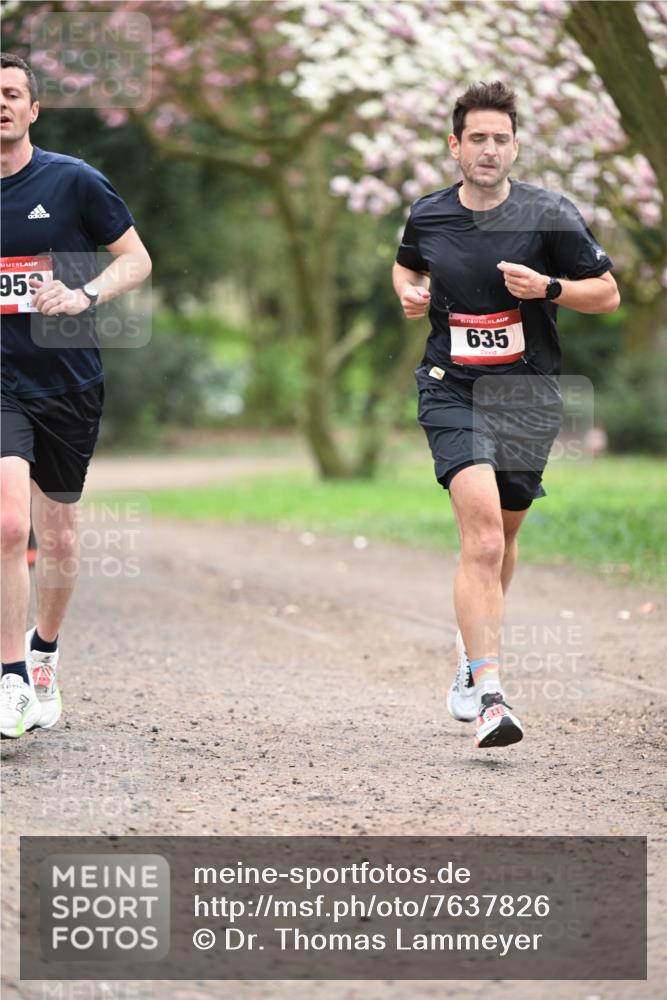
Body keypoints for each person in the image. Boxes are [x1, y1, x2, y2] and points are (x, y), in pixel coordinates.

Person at [392, 80, 619, 749]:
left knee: (506, 535)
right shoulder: (426, 214)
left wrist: (550, 288)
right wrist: (411, 294)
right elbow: (406, 269)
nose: (489, 150)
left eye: (501, 139)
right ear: (454, 146)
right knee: (484, 538)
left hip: (526, 394)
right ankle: (490, 695)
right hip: (450, 386)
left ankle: (469, 655)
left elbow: (605, 294)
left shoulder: (549, 213)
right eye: (477, 139)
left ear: (514, 145)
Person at [0, 53, 152, 738]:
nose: (0, 105)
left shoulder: (72, 181)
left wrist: (84, 293)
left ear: (34, 109)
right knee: (8, 525)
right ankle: (8, 680)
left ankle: (43, 657)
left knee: (57, 533)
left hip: (65, 380)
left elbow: (136, 259)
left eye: (11, 94)